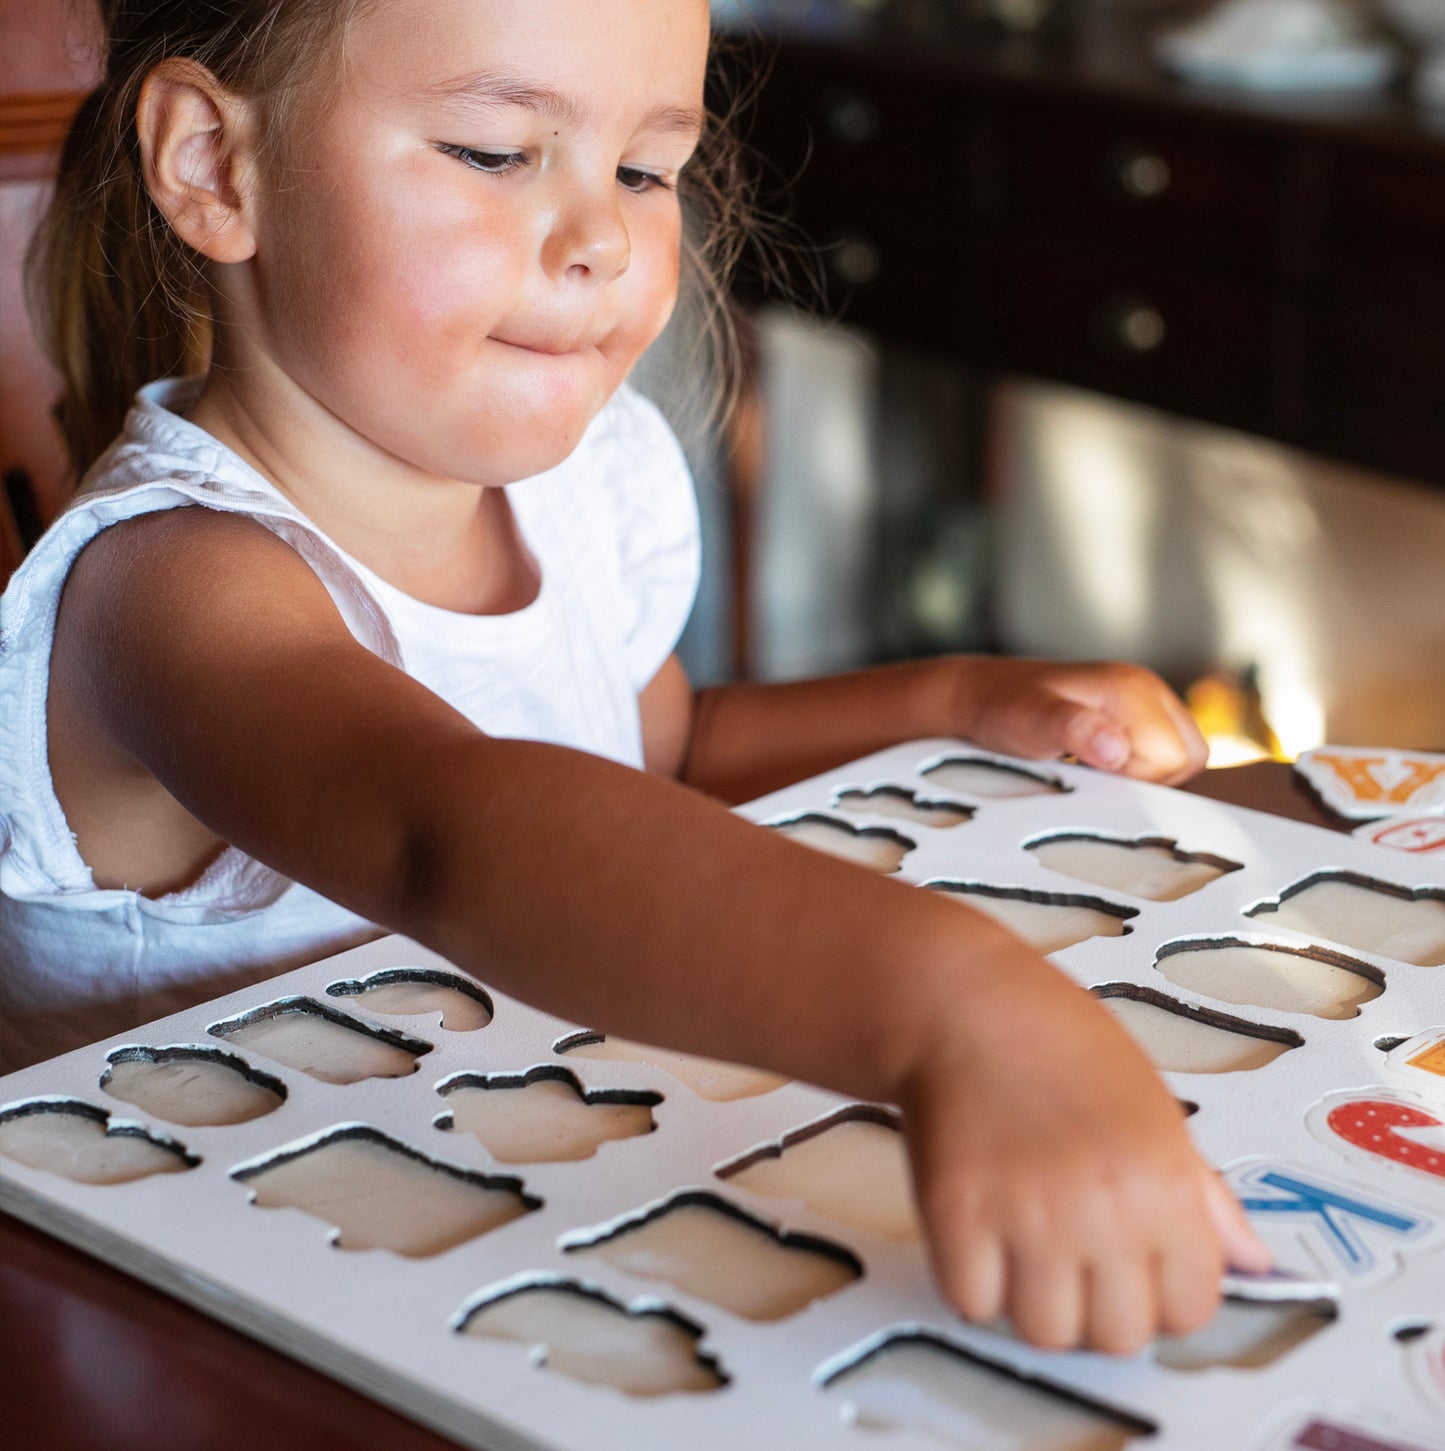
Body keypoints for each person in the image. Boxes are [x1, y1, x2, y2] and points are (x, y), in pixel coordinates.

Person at [0, 0, 1268, 1354]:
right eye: (494, 152)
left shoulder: (576, 497)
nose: (600, 237)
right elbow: (452, 831)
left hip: (483, 1246)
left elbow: (648, 759)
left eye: (644, 169)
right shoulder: (173, 581)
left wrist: (952, 703)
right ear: (213, 165)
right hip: (180, 1331)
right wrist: (958, 1005)